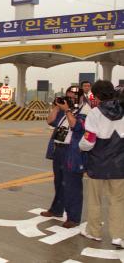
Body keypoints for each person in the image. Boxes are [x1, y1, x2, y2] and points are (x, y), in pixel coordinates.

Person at [79, 80, 124, 248]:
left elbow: (89, 141)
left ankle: (94, 232)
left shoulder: (95, 113)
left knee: (95, 200)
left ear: (96, 95)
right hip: (120, 165)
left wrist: (80, 146)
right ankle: (118, 236)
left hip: (97, 163)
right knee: (118, 201)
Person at [41, 86, 90, 228]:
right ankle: (56, 209)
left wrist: (68, 110)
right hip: (59, 150)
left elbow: (77, 126)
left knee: (73, 184)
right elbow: (50, 121)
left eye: (73, 97)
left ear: (80, 97)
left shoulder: (86, 110)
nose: (70, 99)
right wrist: (57, 107)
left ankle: (73, 218)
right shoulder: (65, 110)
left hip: (73, 152)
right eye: (68, 96)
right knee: (59, 182)